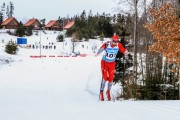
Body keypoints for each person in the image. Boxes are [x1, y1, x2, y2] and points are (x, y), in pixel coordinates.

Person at [96, 35, 128, 101]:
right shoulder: (107, 44)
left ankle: (108, 91)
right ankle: (101, 92)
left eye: (117, 42)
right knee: (104, 78)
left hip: (112, 64)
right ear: (111, 40)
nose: (115, 43)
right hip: (104, 63)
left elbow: (123, 50)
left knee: (111, 79)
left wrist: (126, 53)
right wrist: (98, 52)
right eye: (114, 41)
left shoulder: (118, 45)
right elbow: (100, 49)